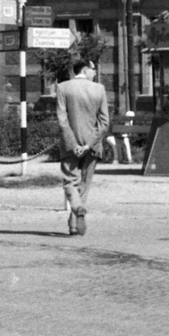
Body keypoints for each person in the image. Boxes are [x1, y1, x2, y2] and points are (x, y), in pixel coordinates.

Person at [56, 59, 111, 237]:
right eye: (93, 69)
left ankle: (76, 211)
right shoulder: (99, 89)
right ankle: (75, 221)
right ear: (85, 69)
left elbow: (62, 121)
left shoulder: (63, 88)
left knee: (70, 182)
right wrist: (88, 144)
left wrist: (73, 144)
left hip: (69, 146)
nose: (95, 73)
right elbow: (104, 123)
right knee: (84, 185)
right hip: (92, 146)